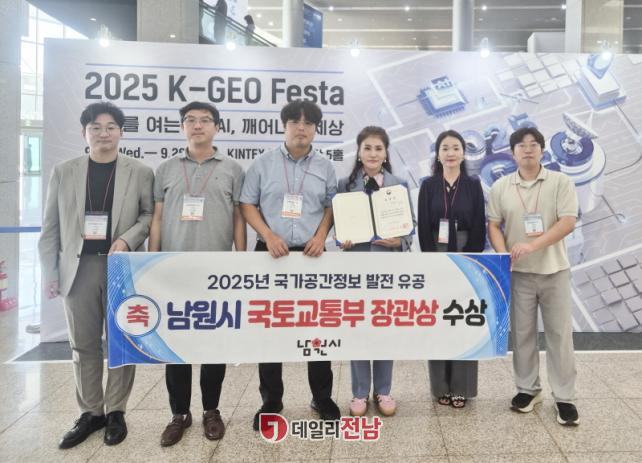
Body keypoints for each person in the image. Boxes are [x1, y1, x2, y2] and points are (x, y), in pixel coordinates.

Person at [38, 102, 154, 449]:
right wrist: (50, 272)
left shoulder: (139, 171)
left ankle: (116, 410)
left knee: (122, 341)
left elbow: (148, 215)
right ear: (84, 133)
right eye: (96, 128)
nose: (104, 133)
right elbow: (50, 227)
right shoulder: (64, 171)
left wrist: (127, 239)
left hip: (121, 267)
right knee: (83, 343)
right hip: (79, 268)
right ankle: (91, 412)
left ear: (121, 132)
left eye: (110, 127)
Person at [149, 101, 246, 446]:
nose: (198, 125)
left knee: (213, 344)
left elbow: (238, 218)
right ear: (182, 127)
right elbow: (157, 218)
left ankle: (211, 410)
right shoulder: (166, 169)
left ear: (217, 127)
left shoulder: (232, 169)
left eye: (205, 120)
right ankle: (179, 414)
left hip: (216, 272)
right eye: (190, 120)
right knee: (175, 344)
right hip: (173, 271)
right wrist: (152, 264)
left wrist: (240, 261)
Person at [240, 99, 340, 430]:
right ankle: (271, 400)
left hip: (312, 255)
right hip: (271, 254)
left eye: (308, 123)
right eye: (295, 122)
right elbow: (247, 204)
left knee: (317, 327)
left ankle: (321, 397)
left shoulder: (325, 166)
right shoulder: (263, 163)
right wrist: (268, 235)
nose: (301, 128)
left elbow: (331, 206)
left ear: (315, 129)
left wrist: (321, 236)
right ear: (284, 126)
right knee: (271, 329)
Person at [487, 127, 579, 426]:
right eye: (521, 145)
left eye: (534, 144)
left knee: (559, 336)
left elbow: (567, 222)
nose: (528, 149)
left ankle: (564, 397)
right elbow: (493, 225)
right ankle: (528, 390)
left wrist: (532, 246)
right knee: (522, 335)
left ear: (542, 150)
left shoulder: (560, 182)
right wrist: (504, 256)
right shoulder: (501, 186)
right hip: (519, 275)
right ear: (513, 152)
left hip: (554, 271)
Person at [337, 126, 414, 417]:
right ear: (359, 152)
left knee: (383, 327)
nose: (372, 153)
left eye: (378, 148)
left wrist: (399, 241)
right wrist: (342, 240)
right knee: (358, 327)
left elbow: (410, 228)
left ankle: (383, 390)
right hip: (356, 267)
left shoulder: (399, 185)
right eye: (367, 148)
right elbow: (338, 225)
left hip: (387, 268)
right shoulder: (345, 184)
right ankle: (359, 393)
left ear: (386, 153)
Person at [417, 129, 486, 409]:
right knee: (438, 322)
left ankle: (462, 387)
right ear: (437, 154)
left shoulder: (473, 184)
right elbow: (423, 226)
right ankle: (440, 387)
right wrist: (433, 261)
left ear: (463, 153)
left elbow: (479, 225)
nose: (450, 153)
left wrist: (470, 262)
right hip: (436, 253)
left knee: (464, 320)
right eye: (445, 148)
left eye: (456, 147)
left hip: (467, 254)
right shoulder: (428, 185)